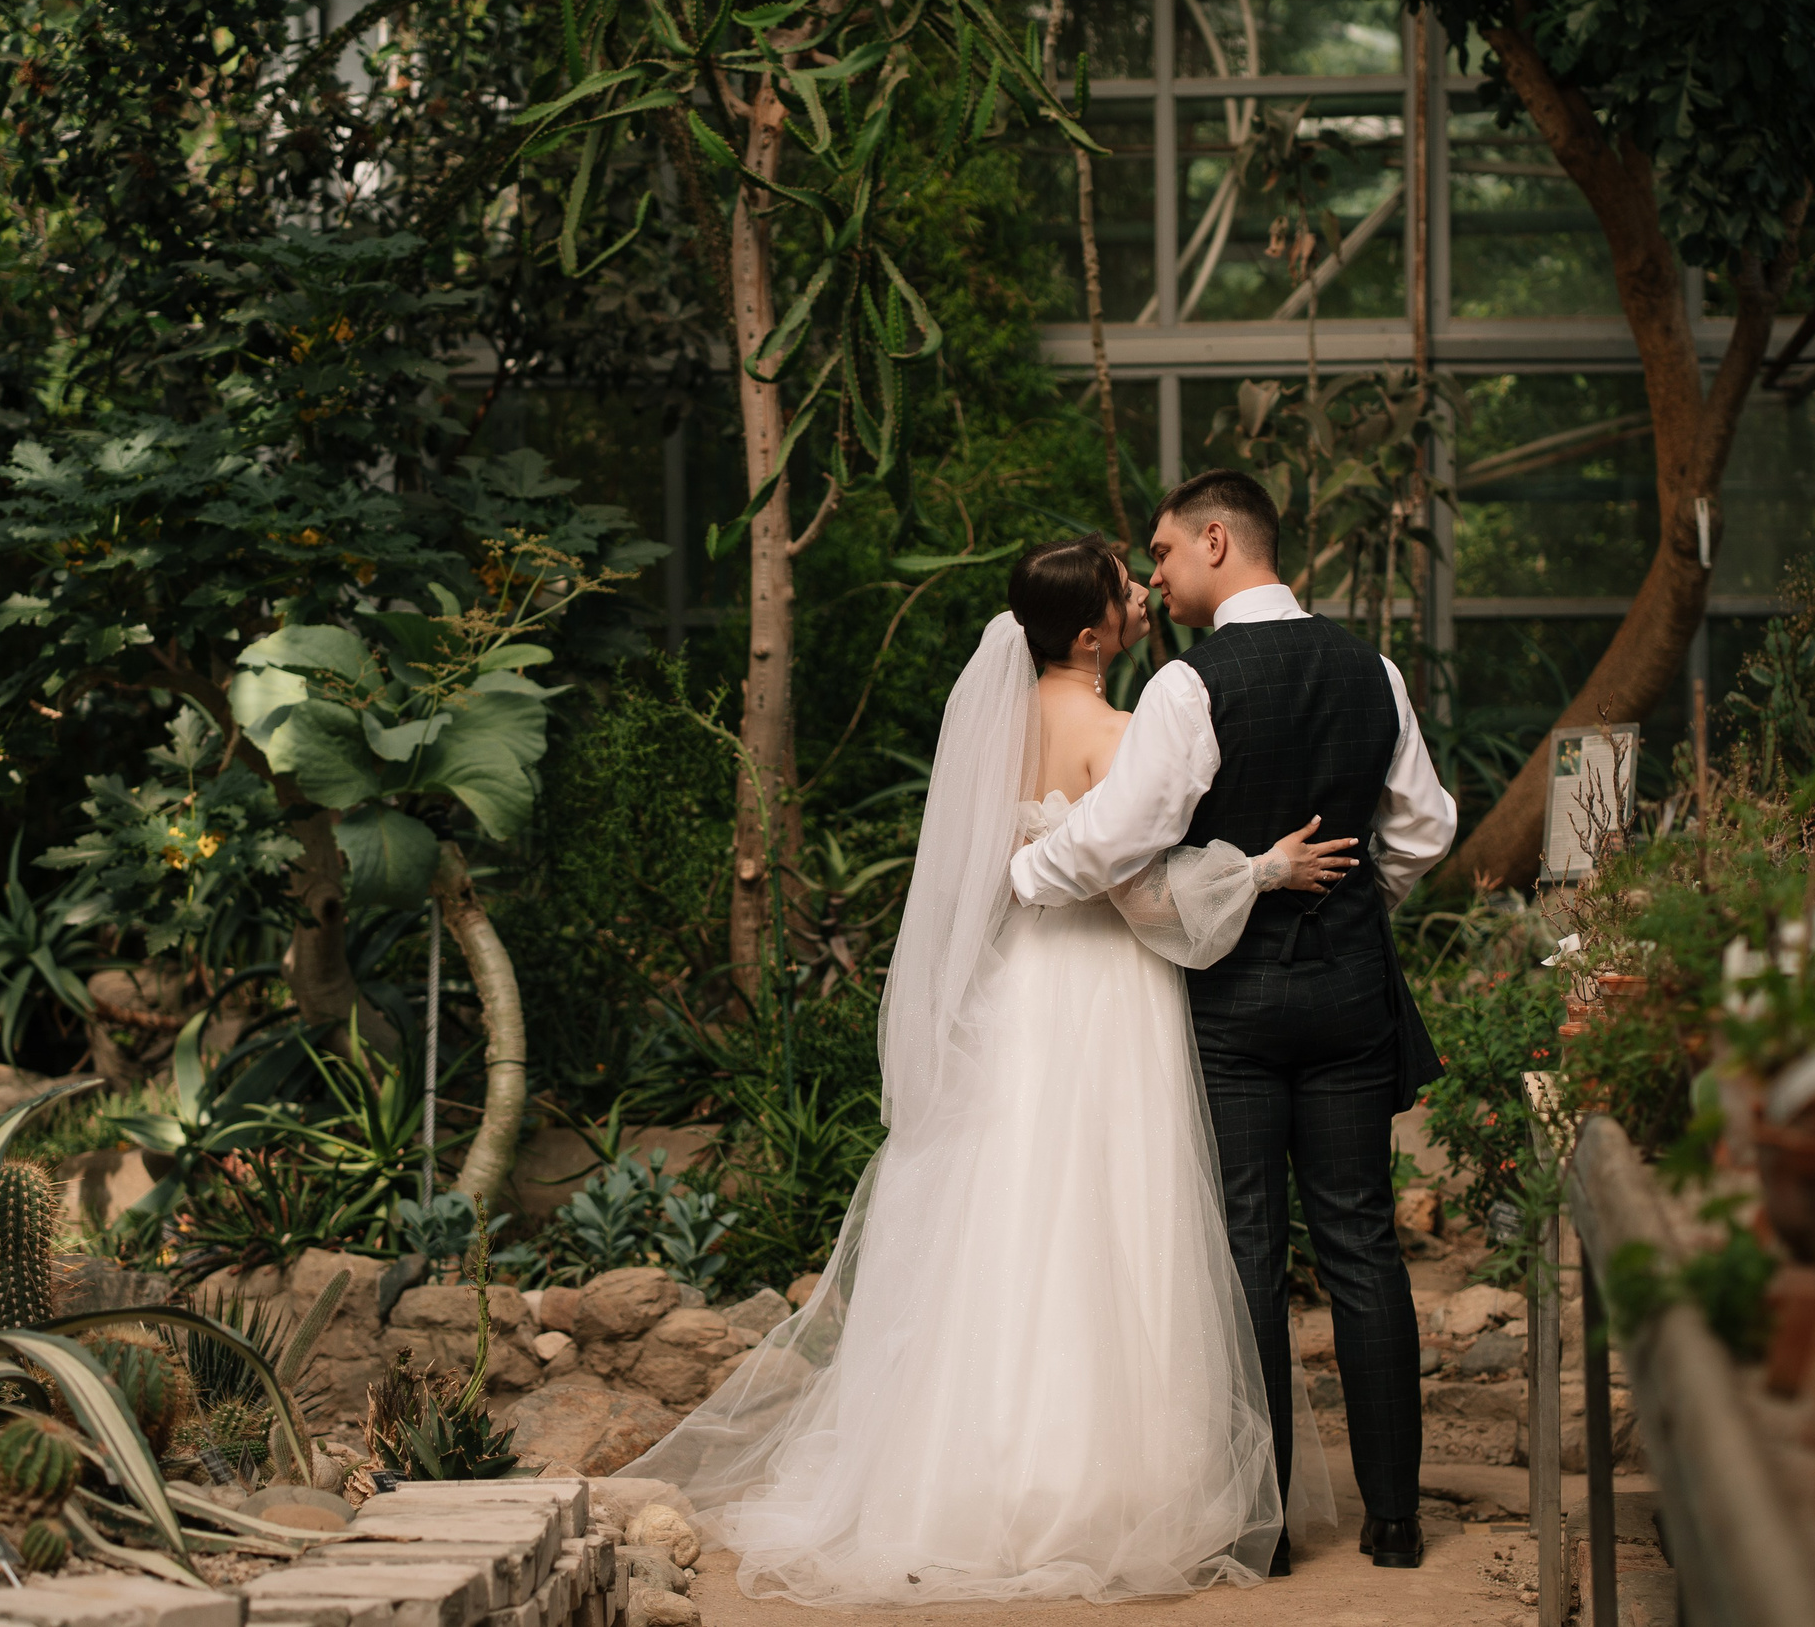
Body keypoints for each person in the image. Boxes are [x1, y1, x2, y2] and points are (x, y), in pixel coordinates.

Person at [615, 534, 1354, 1606]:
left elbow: (1010, 875)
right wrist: (1264, 869)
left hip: (1022, 992)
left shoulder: (1001, 732)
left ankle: (969, 1470)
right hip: (1104, 993)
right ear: (1094, 633)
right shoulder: (1118, 728)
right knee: (1109, 1210)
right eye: (1125, 588)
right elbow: (1139, 896)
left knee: (1011, 1214)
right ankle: (1094, 1480)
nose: (1145, 593)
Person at [1010, 469, 1458, 1571]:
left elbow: (1120, 837)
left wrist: (1024, 871)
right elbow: (1425, 828)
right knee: (1363, 1244)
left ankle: (1262, 1528)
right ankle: (1394, 1521)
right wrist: (1357, 903)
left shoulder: (1186, 688)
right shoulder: (1377, 670)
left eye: (1161, 553)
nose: (1153, 577)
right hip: (1352, 996)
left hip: (1235, 1006)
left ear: (1217, 541)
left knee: (1247, 1253)